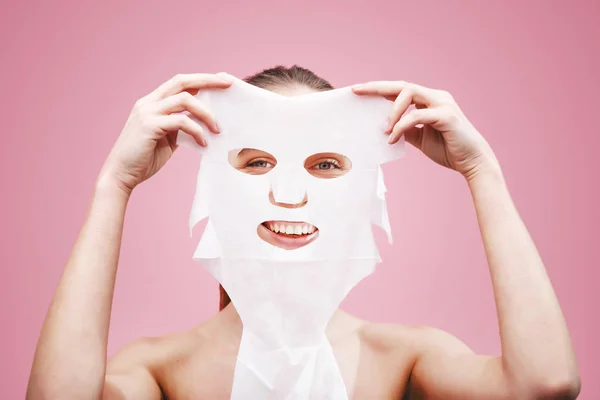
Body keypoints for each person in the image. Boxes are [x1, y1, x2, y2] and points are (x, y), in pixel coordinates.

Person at [27, 66, 581, 400]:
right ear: (215, 186)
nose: (289, 195)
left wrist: (482, 170)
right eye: (257, 163)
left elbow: (544, 385)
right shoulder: (160, 368)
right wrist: (113, 185)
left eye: (325, 166)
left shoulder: (402, 357)